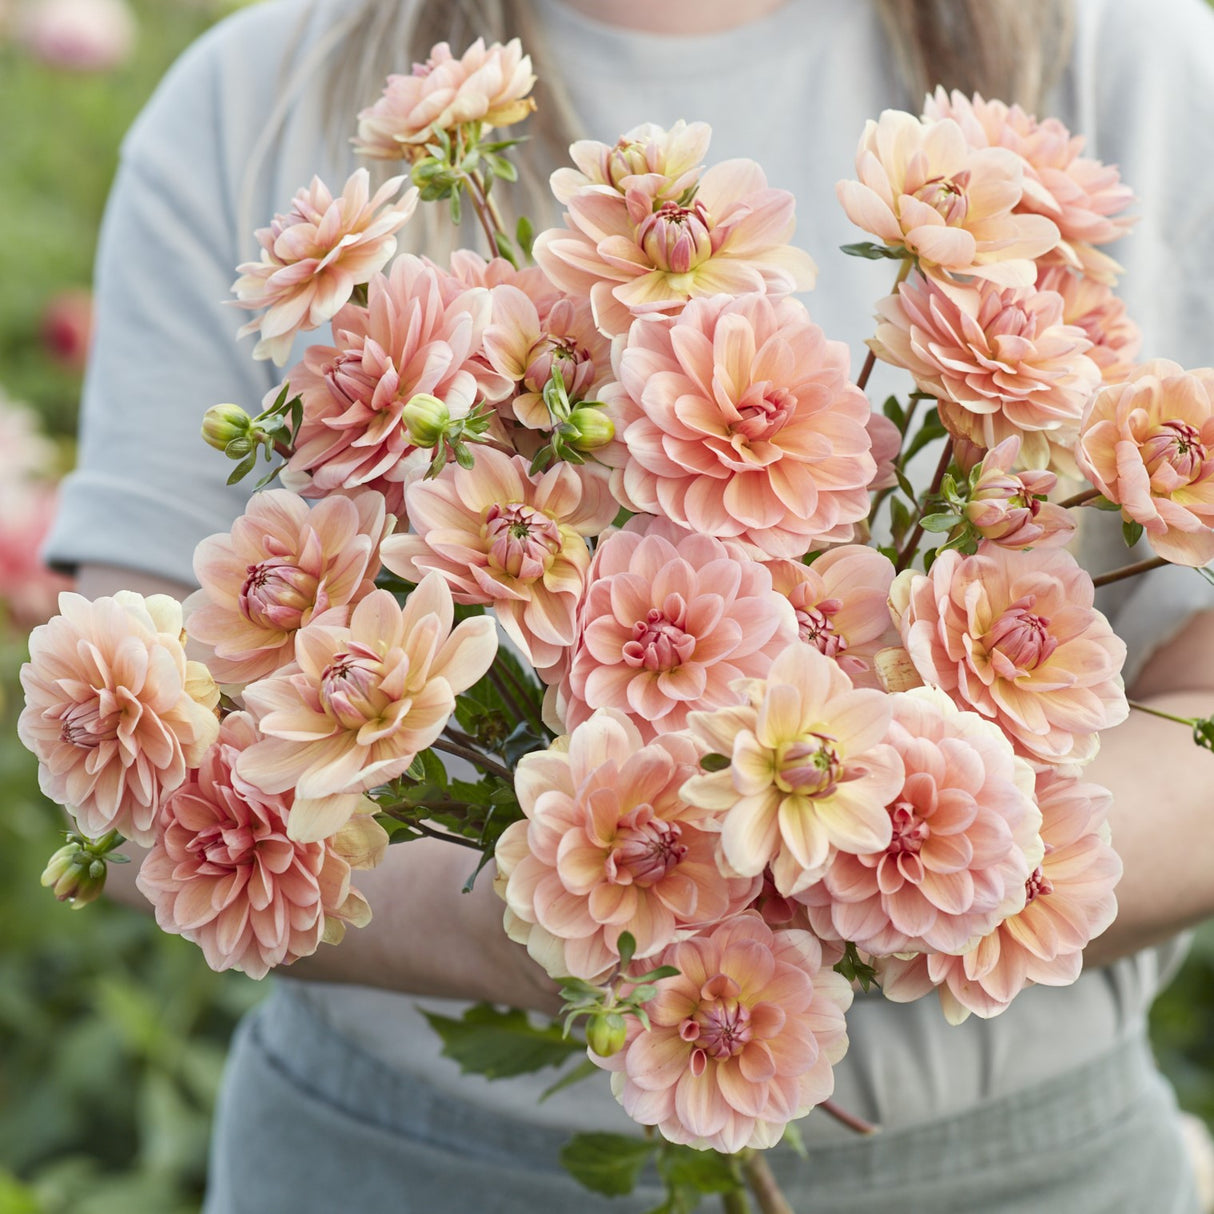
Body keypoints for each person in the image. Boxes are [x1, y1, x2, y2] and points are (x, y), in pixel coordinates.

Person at [45, 0, 1214, 1209]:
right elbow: (141, 781)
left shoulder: (1140, 60)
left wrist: (902, 866)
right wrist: (558, 910)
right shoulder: (257, 89)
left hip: (1016, 1174)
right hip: (395, 1166)